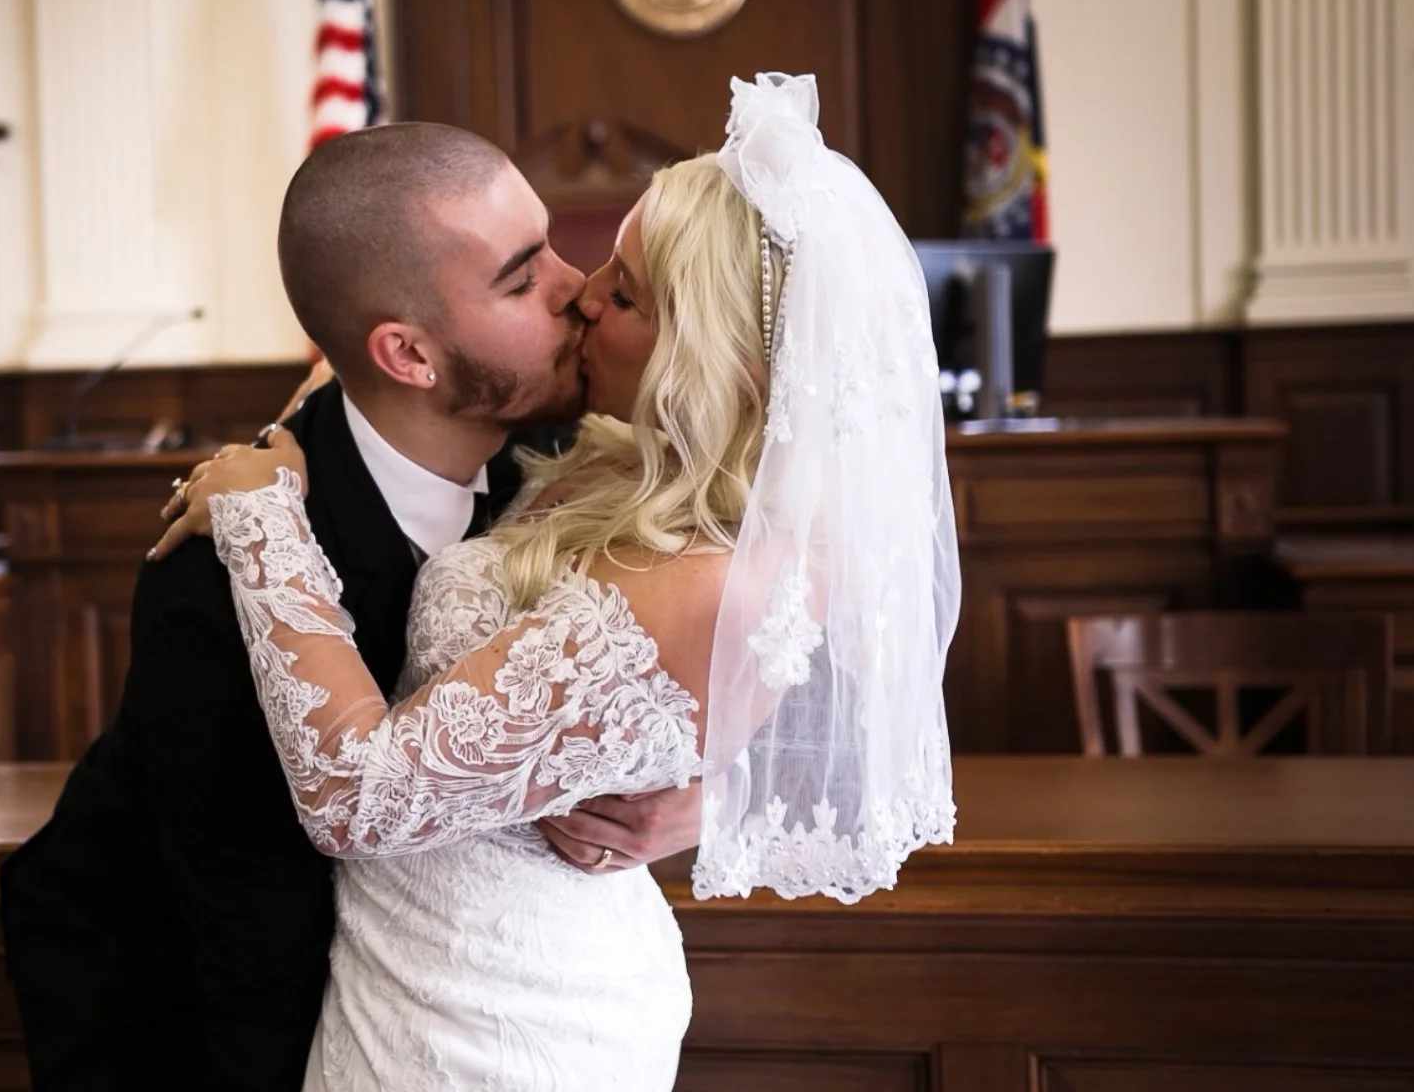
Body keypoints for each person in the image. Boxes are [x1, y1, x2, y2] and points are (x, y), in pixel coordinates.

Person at [167, 73, 962, 1090]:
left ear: (706, 357)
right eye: (556, 264)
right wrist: (281, 437)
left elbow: (357, 797)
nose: (579, 290)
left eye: (622, 292)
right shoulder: (606, 447)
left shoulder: (722, 575)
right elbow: (386, 361)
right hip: (402, 978)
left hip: (502, 1021)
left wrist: (258, 511)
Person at [0, 122, 707, 1091]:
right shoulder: (218, 581)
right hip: (170, 1015)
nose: (578, 287)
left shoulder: (557, 456)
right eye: (519, 276)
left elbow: (727, 651)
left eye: (548, 244)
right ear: (409, 355)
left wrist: (704, 797)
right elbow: (256, 949)